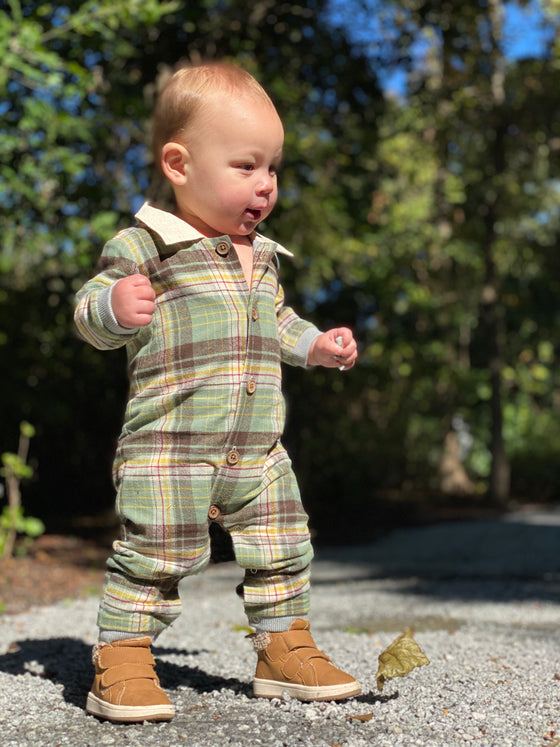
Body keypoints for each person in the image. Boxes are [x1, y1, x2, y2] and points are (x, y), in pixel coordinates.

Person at [74, 61, 360, 724]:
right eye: (246, 166)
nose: (265, 185)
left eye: (273, 168)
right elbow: (91, 313)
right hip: (170, 448)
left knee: (286, 543)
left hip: (258, 449)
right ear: (179, 164)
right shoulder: (145, 244)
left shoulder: (260, 254)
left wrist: (315, 346)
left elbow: (278, 321)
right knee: (155, 550)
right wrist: (115, 305)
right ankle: (121, 655)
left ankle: (284, 647)